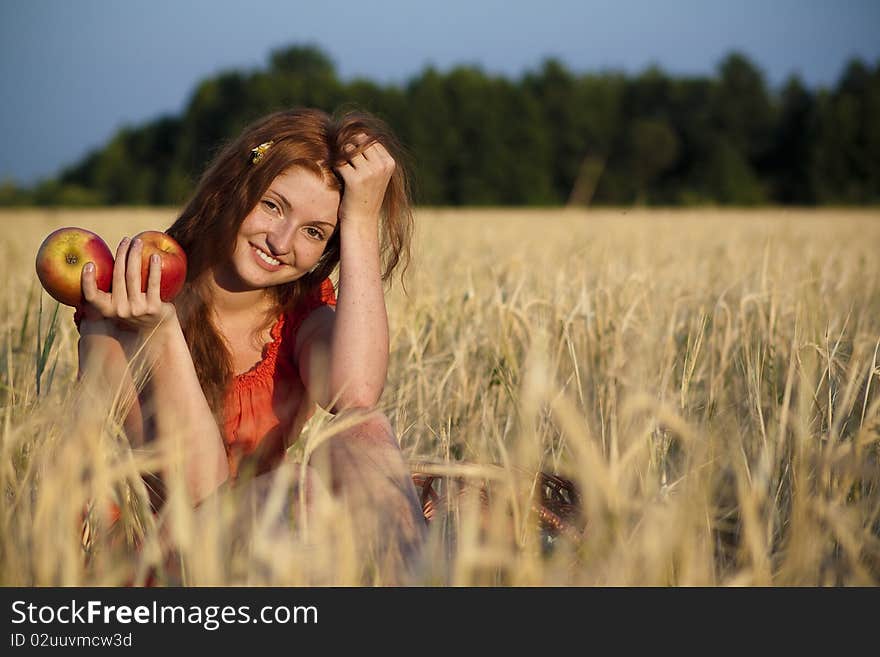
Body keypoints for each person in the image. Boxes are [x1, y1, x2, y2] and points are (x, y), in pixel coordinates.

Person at [74, 108, 426, 582]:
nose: (281, 241)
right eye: (273, 205)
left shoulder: (301, 314)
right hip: (160, 564)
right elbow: (198, 493)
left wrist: (361, 222)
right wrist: (161, 333)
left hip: (266, 553)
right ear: (237, 187)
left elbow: (357, 395)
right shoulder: (126, 303)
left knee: (363, 431)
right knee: (294, 490)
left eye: (315, 232)